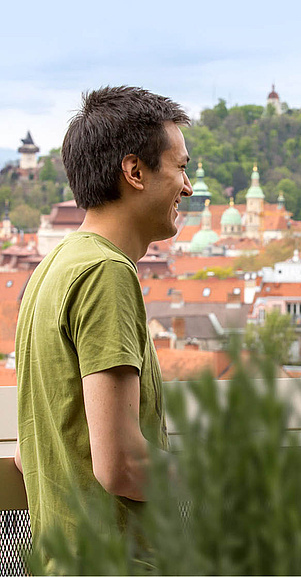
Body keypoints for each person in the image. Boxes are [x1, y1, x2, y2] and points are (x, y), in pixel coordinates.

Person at [14, 86, 193, 550]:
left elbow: (29, 449)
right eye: (181, 167)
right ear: (135, 171)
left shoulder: (51, 269)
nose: (188, 186)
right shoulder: (105, 273)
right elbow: (122, 466)